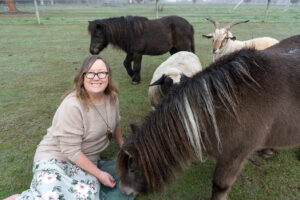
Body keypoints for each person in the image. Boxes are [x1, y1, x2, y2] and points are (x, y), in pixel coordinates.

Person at [5, 55, 124, 200]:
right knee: (53, 196)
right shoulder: (72, 105)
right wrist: (99, 174)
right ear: (83, 77)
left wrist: (123, 146)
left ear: (108, 76)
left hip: (86, 160)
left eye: (101, 72)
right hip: (56, 156)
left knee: (86, 196)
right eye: (90, 73)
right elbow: (70, 150)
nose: (96, 77)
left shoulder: (112, 98)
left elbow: (116, 122)